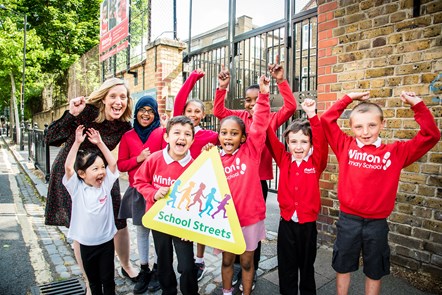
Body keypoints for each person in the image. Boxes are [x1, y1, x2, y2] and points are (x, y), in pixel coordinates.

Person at [320, 91, 440, 295]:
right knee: (342, 265)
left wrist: (417, 105)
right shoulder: (345, 146)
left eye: (372, 125)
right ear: (351, 128)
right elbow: (326, 119)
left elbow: (431, 135)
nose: (365, 132)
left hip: (376, 224)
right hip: (348, 220)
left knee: (374, 270)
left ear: (382, 124)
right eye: (358, 126)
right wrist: (349, 97)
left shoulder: (396, 153)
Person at [45, 78, 138, 294]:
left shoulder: (124, 124)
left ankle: (126, 265)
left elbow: (138, 145)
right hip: (73, 173)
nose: (118, 101)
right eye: (113, 96)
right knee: (81, 229)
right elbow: (51, 138)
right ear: (103, 99)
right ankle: (89, 281)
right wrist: (71, 114)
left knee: (119, 219)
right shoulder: (86, 113)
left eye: (122, 97)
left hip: (101, 173)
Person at [213, 56, 297, 290]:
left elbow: (290, 107)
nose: (250, 104)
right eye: (247, 100)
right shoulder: (237, 120)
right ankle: (236, 269)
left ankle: (253, 268)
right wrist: (222, 87)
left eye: (254, 99)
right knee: (233, 225)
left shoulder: (267, 117)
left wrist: (279, 83)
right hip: (233, 179)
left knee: (251, 230)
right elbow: (218, 110)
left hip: (257, 179)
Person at [204, 72, 270, 295]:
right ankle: (226, 291)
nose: (228, 137)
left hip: (250, 219)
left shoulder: (251, 153)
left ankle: (247, 292)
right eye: (224, 133)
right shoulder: (214, 159)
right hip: (226, 222)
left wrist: (263, 95)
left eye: (234, 133)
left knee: (247, 263)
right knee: (226, 262)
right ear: (219, 136)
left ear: (243, 137)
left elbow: (260, 124)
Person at [266, 98, 328, 295]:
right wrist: (264, 100)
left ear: (310, 144)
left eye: (304, 141)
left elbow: (321, 140)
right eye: (293, 141)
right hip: (286, 225)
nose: (298, 147)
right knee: (287, 268)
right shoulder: (284, 160)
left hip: (307, 227)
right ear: (287, 142)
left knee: (306, 268)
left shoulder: (316, 162)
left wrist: (311, 114)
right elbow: (268, 133)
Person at [133, 116, 199, 295]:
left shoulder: (195, 167)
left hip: (182, 224)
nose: (182, 137)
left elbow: (198, 199)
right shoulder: (155, 159)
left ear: (192, 140)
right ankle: (168, 291)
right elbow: (139, 181)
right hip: (159, 220)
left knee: (186, 265)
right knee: (164, 261)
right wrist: (153, 193)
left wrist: (191, 227)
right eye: (176, 132)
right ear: (166, 137)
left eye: (187, 134)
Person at [170, 68, 219, 280]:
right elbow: (179, 99)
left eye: (197, 111)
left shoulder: (210, 135)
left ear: (203, 115)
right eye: (189, 110)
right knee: (181, 226)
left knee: (199, 225)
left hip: (200, 186)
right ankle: (185, 260)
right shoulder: (180, 130)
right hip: (179, 183)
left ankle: (199, 260)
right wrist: (193, 78)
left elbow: (230, 138)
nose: (193, 114)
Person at [63, 126, 119, 295]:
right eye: (95, 169)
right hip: (87, 246)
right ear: (82, 173)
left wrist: (100, 143)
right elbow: (68, 168)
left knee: (108, 280)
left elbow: (113, 163)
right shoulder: (77, 189)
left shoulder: (105, 185)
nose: (101, 171)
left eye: (102, 167)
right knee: (93, 283)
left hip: (107, 243)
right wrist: (77, 142)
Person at [117, 96, 164, 293]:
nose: (146, 114)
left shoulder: (162, 133)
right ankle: (144, 269)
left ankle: (158, 270)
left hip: (160, 191)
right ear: (136, 112)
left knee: (160, 234)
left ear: (155, 114)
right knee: (142, 232)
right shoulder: (128, 136)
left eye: (150, 110)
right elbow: (121, 164)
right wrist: (139, 158)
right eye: (142, 110)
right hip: (138, 191)